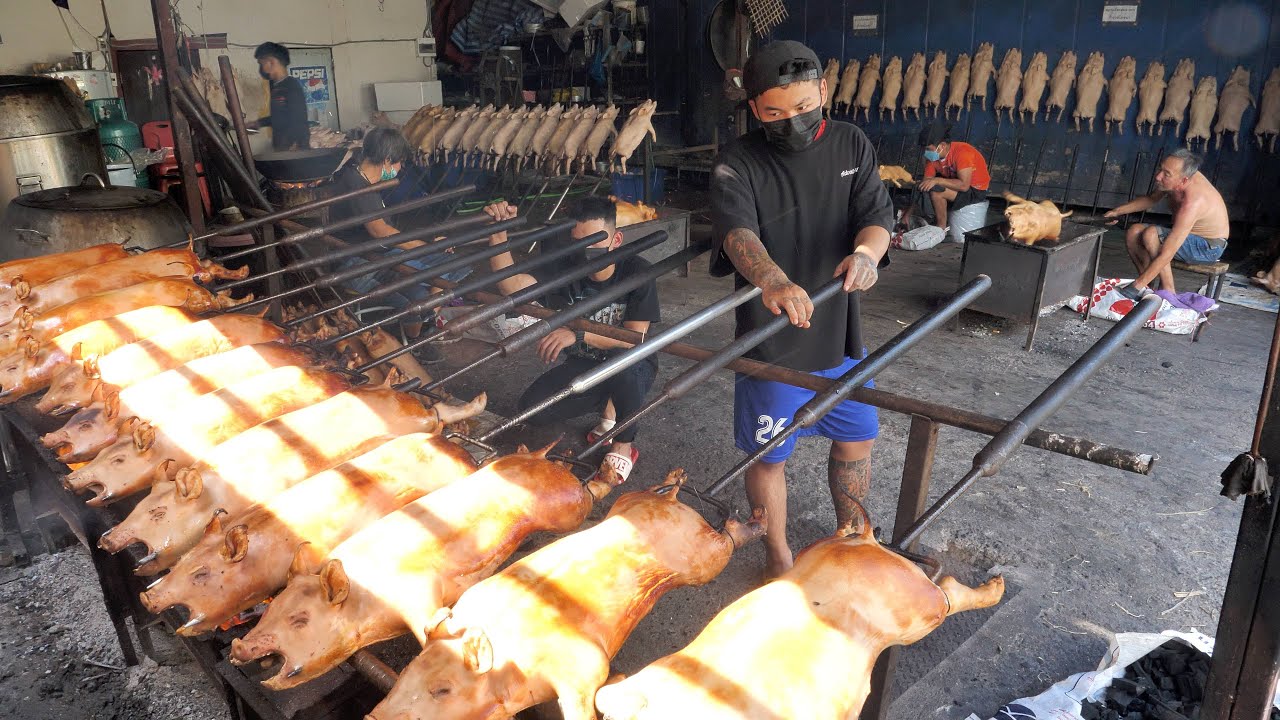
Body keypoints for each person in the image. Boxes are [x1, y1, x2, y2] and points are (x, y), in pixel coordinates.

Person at [710, 40, 893, 579]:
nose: (791, 121)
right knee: (770, 455)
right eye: (774, 113)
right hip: (771, 337)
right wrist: (771, 278)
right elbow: (736, 231)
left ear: (823, 93)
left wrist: (867, 254)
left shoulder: (850, 144)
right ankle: (778, 554)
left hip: (840, 332)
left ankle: (853, 540)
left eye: (803, 107)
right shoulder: (737, 161)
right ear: (754, 109)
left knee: (857, 434)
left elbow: (876, 213)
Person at [482, 196, 660, 483]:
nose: (585, 252)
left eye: (594, 243)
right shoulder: (566, 266)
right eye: (578, 243)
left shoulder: (637, 270)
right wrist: (498, 233)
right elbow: (512, 286)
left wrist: (579, 333)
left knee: (625, 368)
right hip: (585, 363)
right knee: (532, 410)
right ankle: (607, 400)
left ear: (615, 241)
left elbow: (634, 339)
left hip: (632, 364)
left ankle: (623, 442)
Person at [329, 127, 468, 363]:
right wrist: (425, 247)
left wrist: (425, 246)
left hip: (380, 254)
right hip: (357, 264)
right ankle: (417, 339)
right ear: (386, 160)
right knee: (420, 287)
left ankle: (426, 321)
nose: (400, 169)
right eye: (399, 163)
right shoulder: (355, 184)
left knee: (456, 264)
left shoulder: (357, 171)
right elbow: (380, 231)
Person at [1105, 149, 1230, 295]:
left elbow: (1168, 251)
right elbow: (1151, 199)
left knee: (1151, 234)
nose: (1158, 177)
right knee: (1134, 231)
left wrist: (1133, 288)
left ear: (1183, 180)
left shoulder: (1194, 201)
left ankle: (1167, 291)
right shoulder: (1176, 177)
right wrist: (1117, 212)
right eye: (1160, 169)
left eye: (1166, 174)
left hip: (1207, 247)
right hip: (1187, 236)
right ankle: (1147, 286)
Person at [899, 122, 990, 237]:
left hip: (975, 191)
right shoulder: (932, 158)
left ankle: (940, 228)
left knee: (937, 192)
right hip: (955, 185)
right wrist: (907, 215)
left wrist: (937, 180)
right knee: (924, 186)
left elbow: (964, 185)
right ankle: (917, 219)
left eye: (928, 149)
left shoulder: (962, 152)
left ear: (941, 146)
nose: (926, 152)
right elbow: (924, 186)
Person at [250, 42, 310, 151]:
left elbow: (299, 119)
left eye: (261, 63)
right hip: (281, 147)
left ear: (271, 62)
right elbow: (280, 117)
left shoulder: (291, 86)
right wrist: (259, 123)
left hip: (293, 150)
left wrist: (298, 144)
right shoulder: (275, 86)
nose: (260, 68)